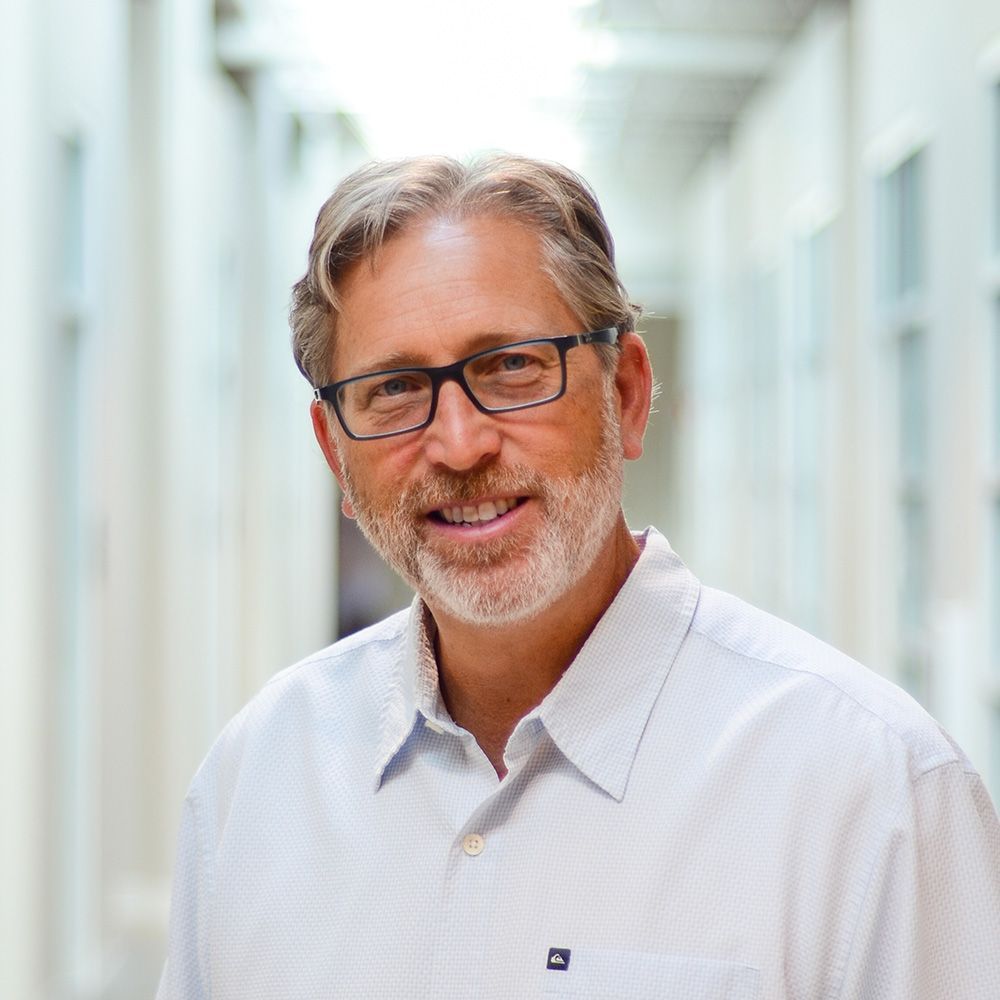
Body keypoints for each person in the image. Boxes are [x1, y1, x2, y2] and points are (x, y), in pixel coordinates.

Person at [157, 154, 1000, 1000]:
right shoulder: (256, 782)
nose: (460, 445)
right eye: (395, 389)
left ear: (626, 394)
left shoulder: (871, 793)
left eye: (511, 367)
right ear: (336, 454)